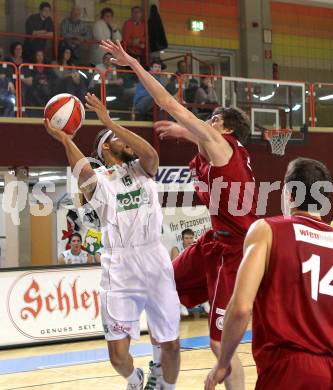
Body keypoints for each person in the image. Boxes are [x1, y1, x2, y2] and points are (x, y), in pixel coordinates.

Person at [98, 40, 257, 390]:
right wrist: (183, 132)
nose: (205, 122)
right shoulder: (218, 146)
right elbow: (198, 133)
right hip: (213, 242)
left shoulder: (220, 147)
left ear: (226, 130)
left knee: (220, 345)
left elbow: (166, 102)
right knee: (164, 287)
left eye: (212, 120)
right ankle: (158, 367)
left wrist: (131, 62)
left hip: (236, 254)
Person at [44, 92, 180, 390]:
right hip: (119, 265)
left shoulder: (144, 169)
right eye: (119, 138)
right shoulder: (101, 180)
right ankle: (135, 380)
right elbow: (84, 175)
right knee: (118, 357)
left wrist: (109, 121)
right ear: (106, 146)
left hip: (154, 258)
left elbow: (152, 155)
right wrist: (66, 139)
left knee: (170, 343)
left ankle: (165, 385)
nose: (127, 141)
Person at [205, 157, 333, 390]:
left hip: (285, 370)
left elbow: (241, 307)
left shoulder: (267, 230)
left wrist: (223, 363)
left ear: (289, 195)